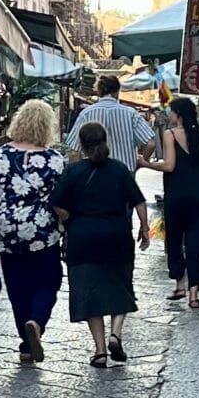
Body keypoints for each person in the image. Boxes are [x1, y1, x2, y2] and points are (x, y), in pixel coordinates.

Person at [53, 120, 150, 368]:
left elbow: (57, 205)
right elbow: (139, 201)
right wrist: (144, 228)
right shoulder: (119, 169)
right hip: (117, 236)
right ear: (105, 140)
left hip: (83, 238)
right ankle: (116, 334)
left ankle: (99, 351)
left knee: (88, 293)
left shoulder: (73, 172)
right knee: (121, 285)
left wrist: (69, 218)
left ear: (82, 145)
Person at [0, 97, 65, 364]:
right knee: (48, 281)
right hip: (43, 233)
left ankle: (25, 344)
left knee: (17, 287)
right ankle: (36, 323)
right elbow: (61, 200)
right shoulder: (55, 160)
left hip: (9, 231)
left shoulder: (2, 155)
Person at [157, 95, 199, 309]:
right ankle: (194, 295)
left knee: (174, 241)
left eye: (172, 111)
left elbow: (169, 165)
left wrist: (146, 163)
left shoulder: (170, 134)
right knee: (196, 245)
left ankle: (179, 285)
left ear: (178, 114)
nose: (170, 115)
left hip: (177, 197)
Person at [65, 74, 158, 173]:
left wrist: (75, 176)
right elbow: (151, 144)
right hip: (124, 175)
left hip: (94, 176)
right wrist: (142, 160)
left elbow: (74, 152)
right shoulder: (131, 114)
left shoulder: (86, 114)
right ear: (117, 91)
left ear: (99, 91)